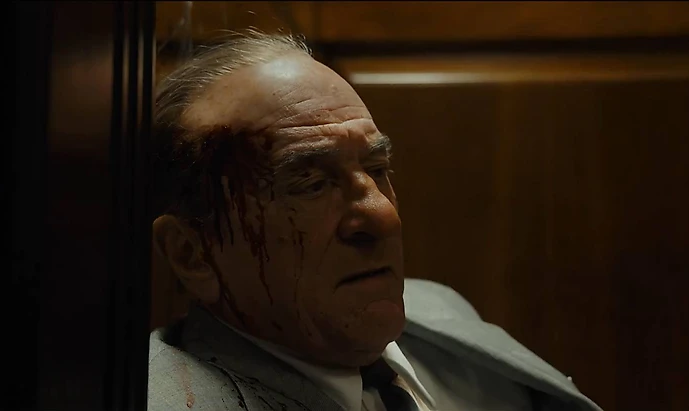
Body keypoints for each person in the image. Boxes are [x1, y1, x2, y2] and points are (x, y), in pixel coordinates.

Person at [148, 32, 602, 411]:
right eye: (310, 183)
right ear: (192, 253)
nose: (384, 216)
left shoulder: (438, 310)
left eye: (378, 168)